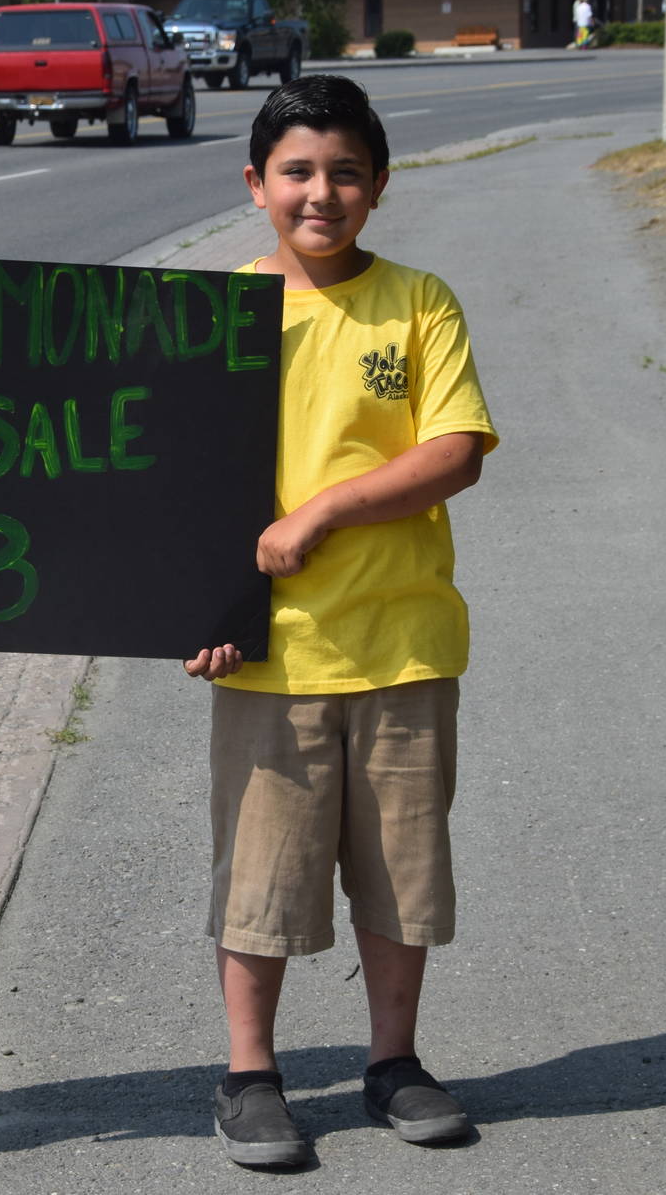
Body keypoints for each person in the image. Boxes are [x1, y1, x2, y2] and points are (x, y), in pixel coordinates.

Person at [186, 74, 498, 1169]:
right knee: (260, 875)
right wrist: (201, 605)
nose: (321, 194)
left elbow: (450, 450)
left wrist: (321, 508)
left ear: (377, 186)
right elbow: (179, 488)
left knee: (399, 870)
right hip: (268, 653)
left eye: (345, 173)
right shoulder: (221, 312)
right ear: (255, 184)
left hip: (401, 640)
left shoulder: (418, 302)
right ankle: (249, 1073)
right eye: (297, 172)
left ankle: (393, 1060)